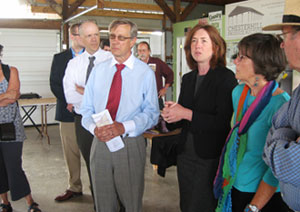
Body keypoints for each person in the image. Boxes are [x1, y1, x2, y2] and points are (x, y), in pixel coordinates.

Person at [80, 18, 159, 212]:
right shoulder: (98, 71)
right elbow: (86, 110)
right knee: (102, 201)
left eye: (121, 38)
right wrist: (94, 128)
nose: (114, 42)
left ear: (133, 41)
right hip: (100, 142)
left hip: (130, 143)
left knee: (131, 202)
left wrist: (124, 126)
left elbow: (152, 113)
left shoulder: (145, 74)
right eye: (112, 37)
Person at [161, 24, 237, 212]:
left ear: (216, 46)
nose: (198, 46)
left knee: (203, 203)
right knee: (187, 202)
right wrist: (171, 114)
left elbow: (222, 122)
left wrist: (185, 113)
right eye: (194, 41)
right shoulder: (188, 78)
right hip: (185, 152)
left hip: (210, 155)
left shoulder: (225, 78)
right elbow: (182, 118)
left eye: (204, 41)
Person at [213, 33, 290, 212]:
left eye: (242, 57)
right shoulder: (239, 93)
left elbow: (277, 169)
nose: (235, 62)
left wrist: (254, 207)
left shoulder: (281, 105)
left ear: (261, 63)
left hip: (263, 196)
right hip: (234, 185)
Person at [63, 20, 112, 205]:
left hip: (106, 118)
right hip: (83, 120)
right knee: (91, 162)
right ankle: (99, 203)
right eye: (89, 35)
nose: (94, 39)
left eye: (96, 35)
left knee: (109, 162)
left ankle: (116, 201)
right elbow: (70, 95)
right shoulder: (74, 64)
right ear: (81, 38)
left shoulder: (110, 60)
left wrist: (85, 90)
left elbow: (111, 95)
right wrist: (95, 93)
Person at [263, 0, 300, 211]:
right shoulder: (298, 92)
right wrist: (288, 138)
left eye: (285, 36)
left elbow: (295, 165)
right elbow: (275, 129)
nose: (282, 45)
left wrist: (278, 145)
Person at [0, 45, 42, 212]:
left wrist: (8, 96)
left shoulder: (11, 71)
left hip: (11, 127)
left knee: (14, 165)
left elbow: (13, 96)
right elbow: (8, 95)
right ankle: (5, 202)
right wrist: (5, 96)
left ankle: (30, 201)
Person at [50, 23, 85, 202]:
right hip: (67, 112)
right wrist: (69, 101)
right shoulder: (59, 58)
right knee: (71, 152)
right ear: (72, 36)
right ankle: (75, 186)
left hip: (90, 114)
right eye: (80, 34)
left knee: (93, 152)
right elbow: (55, 84)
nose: (84, 38)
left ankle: (101, 186)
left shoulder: (94, 57)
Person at [137, 41, 174, 109]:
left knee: (158, 118)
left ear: (149, 51)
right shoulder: (135, 65)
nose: (142, 53)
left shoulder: (157, 62)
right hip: (139, 100)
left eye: (144, 50)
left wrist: (165, 88)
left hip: (155, 98)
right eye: (139, 51)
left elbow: (170, 74)